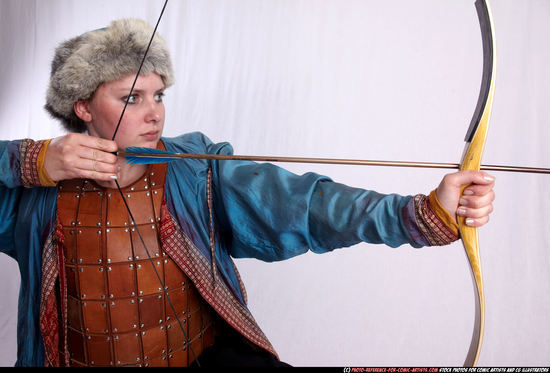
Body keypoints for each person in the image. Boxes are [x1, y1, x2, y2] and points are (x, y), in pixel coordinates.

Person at [0, 18, 495, 367]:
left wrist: (420, 212)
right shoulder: (34, 196)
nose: (154, 113)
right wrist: (29, 161)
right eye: (131, 97)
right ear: (83, 107)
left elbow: (305, 205)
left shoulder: (195, 171)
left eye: (158, 95)